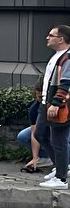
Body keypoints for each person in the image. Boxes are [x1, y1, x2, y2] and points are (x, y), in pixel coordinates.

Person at [37, 25, 70, 189]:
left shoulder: (67, 58)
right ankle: (61, 167)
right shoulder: (58, 56)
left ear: (61, 39)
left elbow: (66, 83)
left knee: (59, 140)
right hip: (47, 102)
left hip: (59, 105)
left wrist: (57, 103)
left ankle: (61, 178)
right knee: (40, 133)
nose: (47, 38)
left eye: (51, 35)